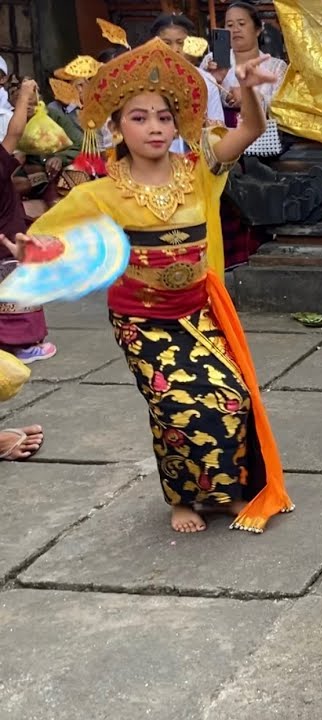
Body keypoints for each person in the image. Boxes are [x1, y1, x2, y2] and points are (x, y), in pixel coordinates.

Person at [3, 39, 293, 534]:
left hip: (198, 312)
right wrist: (34, 252)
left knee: (228, 398)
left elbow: (251, 130)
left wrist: (245, 91)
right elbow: (59, 237)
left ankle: (221, 491)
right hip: (141, 321)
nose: (155, 127)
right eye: (139, 118)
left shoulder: (198, 171)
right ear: (116, 128)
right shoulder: (101, 192)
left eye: (162, 117)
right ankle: (181, 499)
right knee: (175, 406)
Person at [0, 79, 55, 364]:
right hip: (9, 241)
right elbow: (16, 132)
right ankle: (24, 346)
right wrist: (23, 95)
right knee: (18, 294)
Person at [202, 2, 288, 122]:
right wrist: (214, 81)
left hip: (264, 134)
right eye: (230, 25)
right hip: (220, 134)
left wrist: (251, 97)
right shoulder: (212, 60)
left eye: (241, 24)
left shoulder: (277, 67)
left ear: (257, 30)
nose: (236, 29)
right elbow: (198, 100)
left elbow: (283, 107)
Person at [152, 12, 226, 151]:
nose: (175, 50)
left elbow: (217, 130)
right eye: (166, 43)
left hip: (197, 158)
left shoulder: (206, 80)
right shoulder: (144, 79)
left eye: (181, 43)